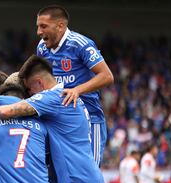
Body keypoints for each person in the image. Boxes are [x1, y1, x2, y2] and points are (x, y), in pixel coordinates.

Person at [0, 55, 104, 183]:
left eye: (30, 89)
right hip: (89, 179)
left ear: (39, 83)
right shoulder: (67, 97)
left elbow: (8, 111)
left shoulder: (51, 98)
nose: (30, 94)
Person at [36, 5, 114, 166]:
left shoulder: (80, 44)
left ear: (60, 26)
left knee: (90, 172)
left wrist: (77, 90)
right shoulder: (42, 48)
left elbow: (107, 76)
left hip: (89, 120)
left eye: (43, 26)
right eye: (37, 26)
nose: (38, 32)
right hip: (59, 120)